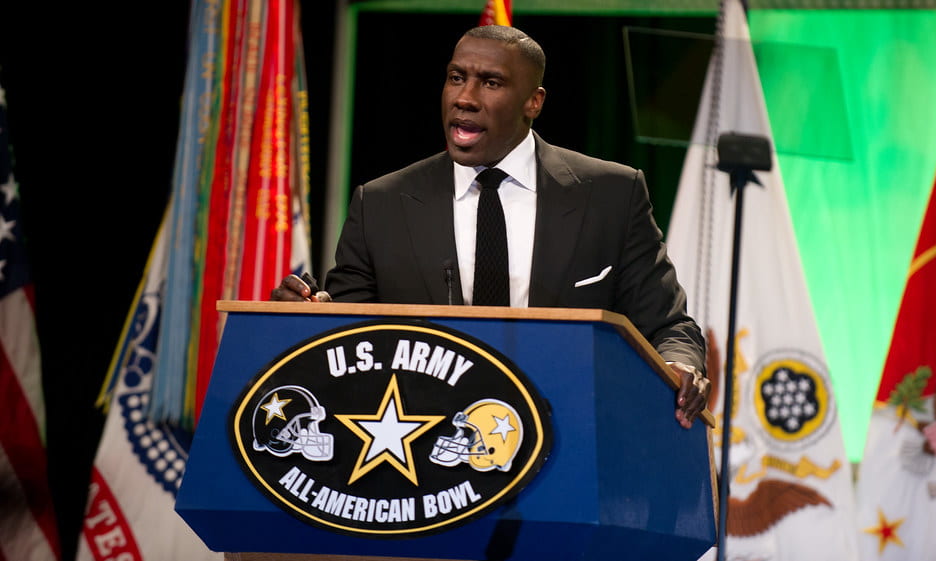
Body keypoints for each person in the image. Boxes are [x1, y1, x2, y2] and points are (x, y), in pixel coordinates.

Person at [272, 24, 710, 428]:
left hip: (568, 438)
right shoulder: (382, 204)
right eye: (456, 77)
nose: (465, 97)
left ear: (533, 102)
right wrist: (308, 317)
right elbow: (349, 338)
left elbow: (669, 326)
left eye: (491, 82)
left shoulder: (610, 195)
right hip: (423, 453)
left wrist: (682, 365)